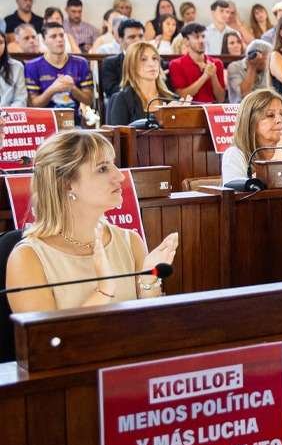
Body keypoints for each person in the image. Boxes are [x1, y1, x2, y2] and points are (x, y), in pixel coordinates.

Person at [5, 130, 179, 312]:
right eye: (102, 169)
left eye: (113, 164)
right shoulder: (26, 259)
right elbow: (49, 332)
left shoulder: (130, 242)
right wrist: (104, 290)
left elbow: (150, 323)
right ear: (66, 184)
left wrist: (148, 280)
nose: (120, 176)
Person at [221, 88, 282, 185]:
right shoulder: (234, 155)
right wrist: (277, 161)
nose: (279, 120)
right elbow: (241, 193)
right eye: (270, 115)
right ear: (251, 122)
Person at [25, 24, 94, 121]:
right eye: (53, 36)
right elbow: (32, 105)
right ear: (44, 41)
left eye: (62, 35)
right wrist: (53, 89)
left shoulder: (81, 63)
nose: (59, 39)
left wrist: (72, 88)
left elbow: (89, 101)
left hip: (75, 121)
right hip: (44, 122)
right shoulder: (32, 66)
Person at [106, 42, 178, 125]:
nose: (152, 64)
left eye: (154, 58)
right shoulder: (122, 99)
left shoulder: (172, 99)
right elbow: (119, 132)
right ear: (131, 65)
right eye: (143, 59)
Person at [168, 23, 227, 104]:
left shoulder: (217, 63)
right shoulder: (176, 64)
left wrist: (213, 76)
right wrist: (205, 76)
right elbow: (182, 97)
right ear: (186, 41)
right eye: (196, 37)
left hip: (212, 108)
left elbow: (221, 99)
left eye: (203, 36)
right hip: (189, 109)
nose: (201, 41)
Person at [100, 19, 145, 99]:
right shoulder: (110, 63)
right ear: (120, 40)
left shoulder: (155, 61)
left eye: (141, 36)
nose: (138, 40)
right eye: (132, 37)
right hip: (124, 103)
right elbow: (111, 91)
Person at [0, 31, 27, 106]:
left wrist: (8, 112)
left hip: (9, 112)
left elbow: (20, 99)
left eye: (1, 42)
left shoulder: (17, 66)